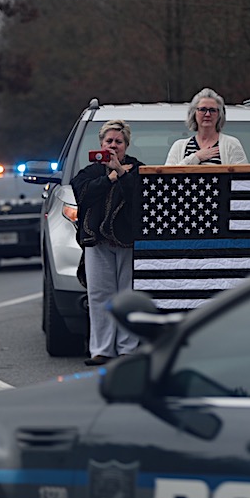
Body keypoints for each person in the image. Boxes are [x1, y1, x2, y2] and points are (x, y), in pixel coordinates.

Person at [71, 119, 143, 366]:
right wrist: (110, 177)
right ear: (101, 144)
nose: (113, 146)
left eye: (118, 142)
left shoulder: (137, 169)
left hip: (128, 242)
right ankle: (101, 350)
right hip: (96, 241)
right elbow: (83, 194)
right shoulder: (89, 172)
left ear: (126, 145)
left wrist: (121, 173)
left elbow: (140, 197)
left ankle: (128, 349)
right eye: (109, 141)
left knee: (128, 296)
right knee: (100, 295)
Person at [165, 88, 249, 165]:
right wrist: (196, 157)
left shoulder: (232, 145)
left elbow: (242, 179)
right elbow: (168, 177)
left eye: (212, 110)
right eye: (203, 110)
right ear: (194, 113)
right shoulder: (179, 147)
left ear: (219, 115)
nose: (208, 114)